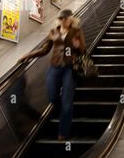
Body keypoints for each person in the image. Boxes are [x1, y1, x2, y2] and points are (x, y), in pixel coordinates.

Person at [18, 9, 86, 141]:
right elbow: (45, 49)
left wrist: (77, 46)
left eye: (65, 18)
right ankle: (64, 113)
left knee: (67, 102)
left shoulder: (76, 32)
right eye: (61, 19)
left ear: (71, 19)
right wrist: (28, 55)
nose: (63, 20)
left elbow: (83, 50)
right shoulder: (54, 32)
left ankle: (63, 133)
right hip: (54, 67)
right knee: (52, 96)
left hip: (69, 68)